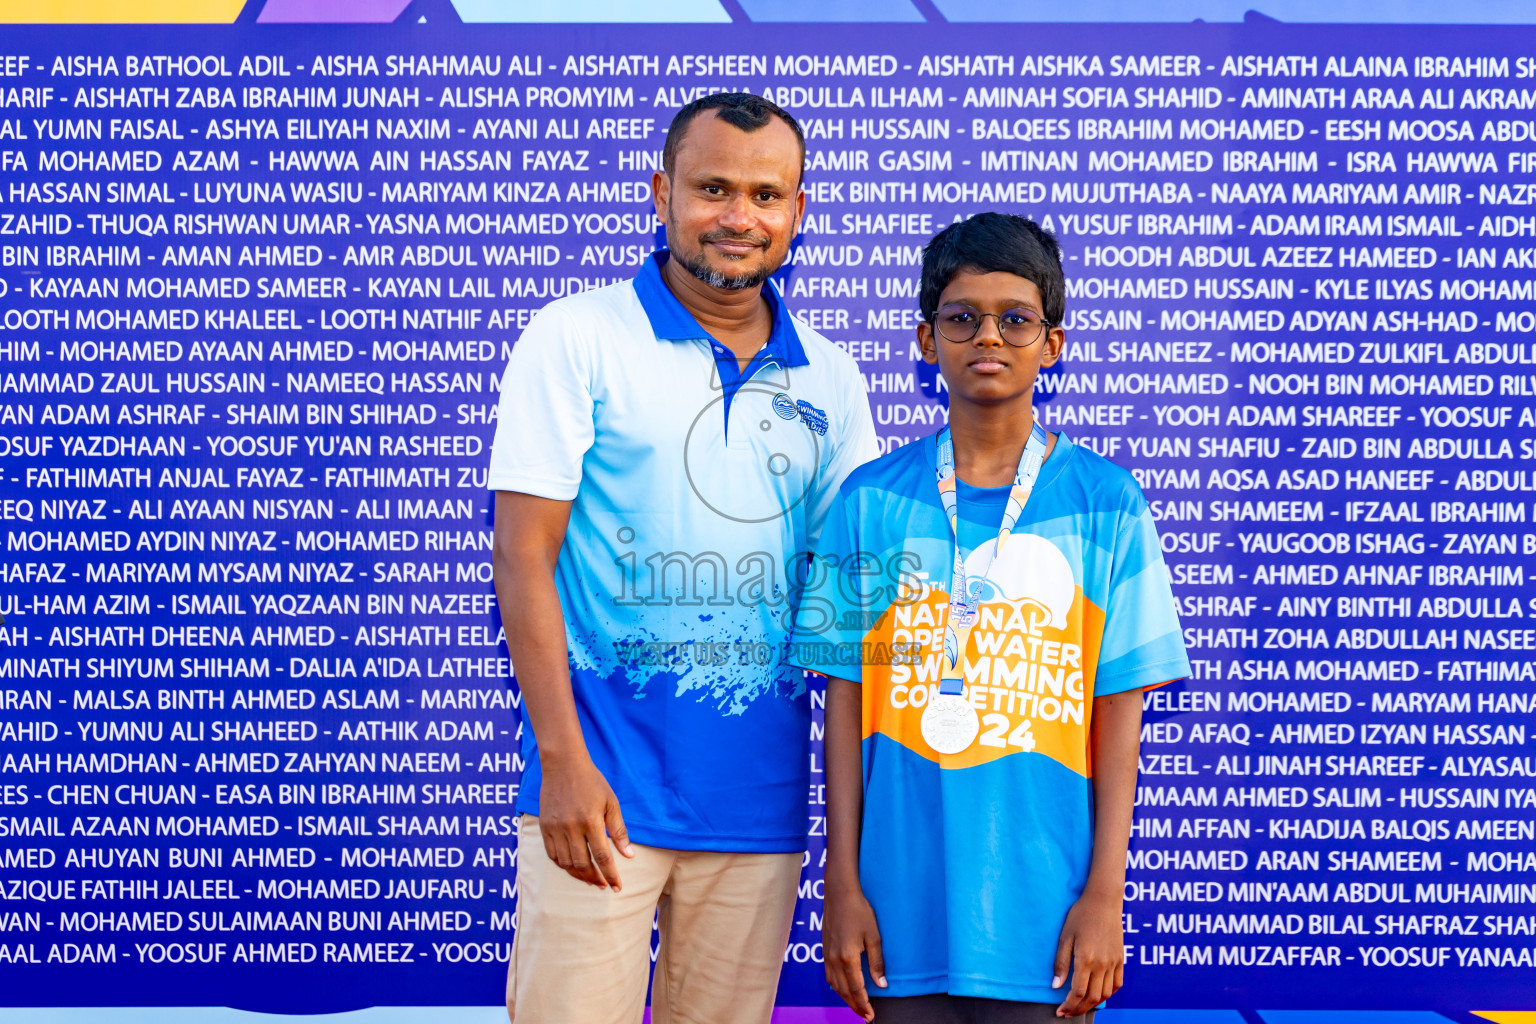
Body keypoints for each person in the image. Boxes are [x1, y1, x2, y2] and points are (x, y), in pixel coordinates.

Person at [488, 92, 878, 1024]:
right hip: (597, 796)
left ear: (797, 212)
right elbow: (520, 559)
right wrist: (563, 763)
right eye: (712, 188)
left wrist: (850, 843)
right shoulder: (577, 336)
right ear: (662, 192)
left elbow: (844, 616)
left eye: (765, 194)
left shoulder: (832, 375)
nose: (739, 217)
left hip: (759, 811)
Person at [792, 213, 1190, 1022]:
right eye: (962, 316)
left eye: (1016, 319)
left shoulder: (1106, 502)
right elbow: (841, 702)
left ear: (1053, 343)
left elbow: (1120, 713)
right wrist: (841, 885)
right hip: (898, 916)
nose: (989, 337)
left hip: (1046, 923)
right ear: (925, 339)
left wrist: (1104, 897)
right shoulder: (868, 501)